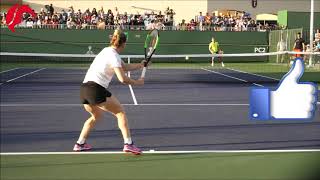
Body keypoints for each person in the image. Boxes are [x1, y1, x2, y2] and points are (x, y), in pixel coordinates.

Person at [73, 29, 145, 155]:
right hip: (95, 89)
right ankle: (128, 144)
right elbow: (122, 78)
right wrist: (137, 82)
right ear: (123, 44)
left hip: (84, 90)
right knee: (120, 112)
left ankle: (80, 143)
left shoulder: (106, 51)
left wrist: (141, 64)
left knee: (96, 116)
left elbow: (125, 67)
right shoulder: (114, 56)